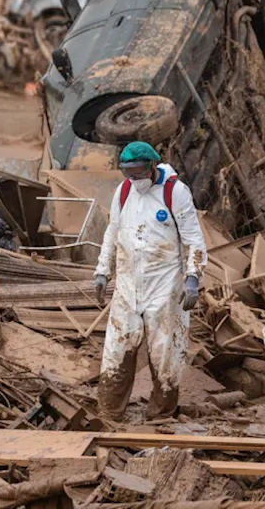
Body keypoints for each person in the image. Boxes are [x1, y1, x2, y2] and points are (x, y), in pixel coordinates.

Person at [92, 141, 207, 421]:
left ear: (152, 165)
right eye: (128, 172)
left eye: (139, 171)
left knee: (165, 353)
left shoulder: (174, 192)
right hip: (128, 285)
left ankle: (161, 416)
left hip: (164, 286)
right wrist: (102, 271)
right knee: (116, 351)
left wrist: (192, 277)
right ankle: (109, 414)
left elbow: (193, 238)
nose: (135, 178)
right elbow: (113, 232)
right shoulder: (124, 192)